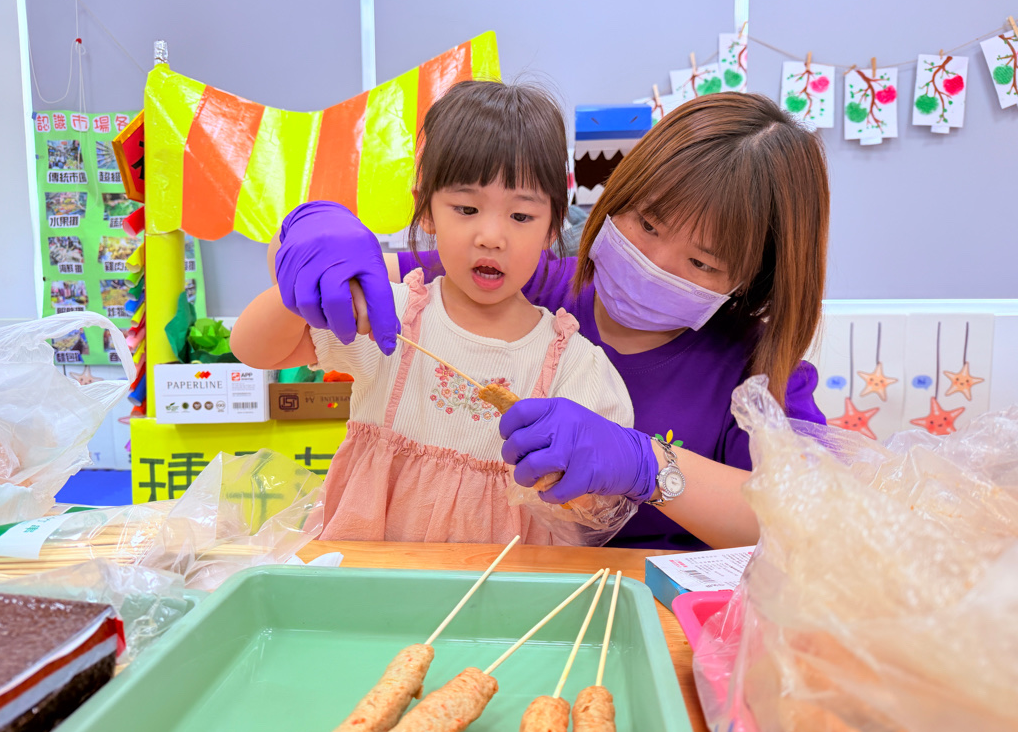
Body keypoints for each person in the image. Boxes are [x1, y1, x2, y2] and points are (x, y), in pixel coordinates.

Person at [266, 92, 830, 551]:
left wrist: (648, 465)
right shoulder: (515, 283)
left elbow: (812, 527)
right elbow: (335, 285)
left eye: (702, 262)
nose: (654, 262)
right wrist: (307, 233)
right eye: (648, 224)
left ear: (753, 279)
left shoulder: (758, 371)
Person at [231, 80, 634, 545]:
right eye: (466, 208)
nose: (491, 236)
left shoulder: (572, 363)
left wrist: (573, 480)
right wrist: (298, 286)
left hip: (500, 583)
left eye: (521, 216)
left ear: (552, 228)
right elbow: (253, 350)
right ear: (426, 211)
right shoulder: (393, 314)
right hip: (368, 573)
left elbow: (599, 508)